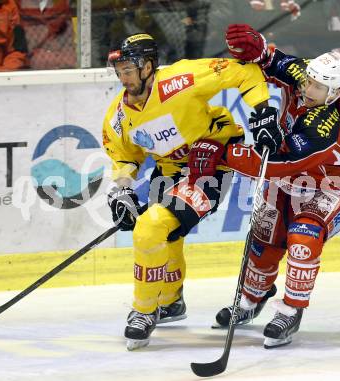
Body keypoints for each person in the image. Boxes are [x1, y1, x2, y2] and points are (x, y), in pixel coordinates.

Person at [188, 24, 340, 348]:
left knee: (303, 237)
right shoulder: (304, 79)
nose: (307, 89)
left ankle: (291, 310)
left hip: (329, 186)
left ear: (335, 93)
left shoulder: (323, 131)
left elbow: (275, 164)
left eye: (318, 87)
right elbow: (271, 62)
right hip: (288, 178)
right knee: (265, 237)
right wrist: (258, 49)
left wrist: (226, 153)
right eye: (309, 81)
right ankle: (252, 299)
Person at [103, 32, 270, 350]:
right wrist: (121, 189)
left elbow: (245, 72)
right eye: (119, 71)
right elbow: (124, 157)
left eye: (129, 69)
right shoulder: (119, 115)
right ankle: (169, 300)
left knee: (150, 227)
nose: (123, 77)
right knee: (165, 232)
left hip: (209, 167)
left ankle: (144, 311)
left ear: (149, 66)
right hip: (168, 171)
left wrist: (262, 113)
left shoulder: (181, 80)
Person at [17, 0, 76, 69]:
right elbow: (19, 53)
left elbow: (70, 56)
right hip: (29, 68)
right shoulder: (20, 7)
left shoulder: (61, 8)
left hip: (60, 68)